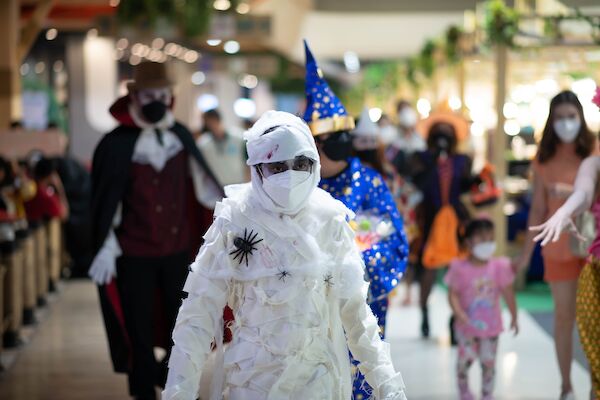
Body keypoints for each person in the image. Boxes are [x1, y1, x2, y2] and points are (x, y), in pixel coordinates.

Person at [162, 110, 408, 400]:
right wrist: (179, 391)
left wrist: (389, 387)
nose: (290, 175)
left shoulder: (329, 219)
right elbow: (198, 315)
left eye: (301, 164)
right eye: (277, 166)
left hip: (318, 381)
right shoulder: (235, 221)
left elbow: (356, 315)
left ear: (314, 164)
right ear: (257, 169)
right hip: (252, 381)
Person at [89, 61, 222, 400]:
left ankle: (173, 379)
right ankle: (143, 389)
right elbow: (107, 202)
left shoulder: (179, 136)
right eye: (150, 94)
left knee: (182, 320)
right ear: (135, 96)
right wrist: (105, 245)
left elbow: (204, 189)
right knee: (137, 325)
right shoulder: (115, 144)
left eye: (163, 95)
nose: (157, 101)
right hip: (134, 252)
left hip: (178, 249)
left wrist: (228, 219)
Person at [302, 40, 408, 400]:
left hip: (361, 297)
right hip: (308, 303)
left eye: (344, 137)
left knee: (361, 374)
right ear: (315, 144)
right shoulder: (298, 186)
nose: (343, 144)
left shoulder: (369, 179)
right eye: (333, 139)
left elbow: (385, 228)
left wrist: (341, 236)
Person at [513, 90, 595, 400]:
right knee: (564, 317)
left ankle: (595, 384)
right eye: (559, 118)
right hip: (557, 245)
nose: (566, 124)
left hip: (591, 246)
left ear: (581, 118)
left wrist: (568, 191)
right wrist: (525, 253)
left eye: (571, 117)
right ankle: (566, 385)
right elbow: (537, 208)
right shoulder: (543, 159)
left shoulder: (594, 151)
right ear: (551, 120)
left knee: (593, 318)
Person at [411, 121, 475, 339]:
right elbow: (419, 182)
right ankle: (424, 313)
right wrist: (434, 161)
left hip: (456, 218)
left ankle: (455, 318)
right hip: (429, 218)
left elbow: (467, 185)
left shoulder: (462, 160)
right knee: (427, 268)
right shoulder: (421, 158)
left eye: (447, 134)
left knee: (456, 269)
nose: (443, 138)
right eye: (439, 134)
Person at [445, 218, 518, 400]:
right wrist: (458, 313)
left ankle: (487, 394)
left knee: (489, 363)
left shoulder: (499, 267)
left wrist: (514, 316)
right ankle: (464, 392)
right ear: (468, 242)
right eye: (481, 239)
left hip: (491, 328)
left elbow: (508, 293)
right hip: (466, 328)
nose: (487, 244)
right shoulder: (459, 268)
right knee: (463, 362)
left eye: (490, 239)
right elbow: (452, 293)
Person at [191, 108, 248, 212]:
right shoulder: (203, 144)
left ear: (218, 119)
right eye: (207, 122)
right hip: (216, 190)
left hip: (238, 188)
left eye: (211, 120)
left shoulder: (239, 138)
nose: (210, 124)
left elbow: (248, 164)